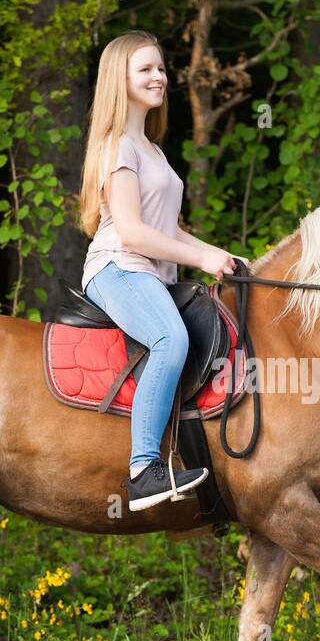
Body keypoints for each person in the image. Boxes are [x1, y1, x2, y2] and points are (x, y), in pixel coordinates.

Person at [78, 31, 237, 511]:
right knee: (171, 339)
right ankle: (143, 471)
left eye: (161, 68)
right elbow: (131, 233)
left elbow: (168, 229)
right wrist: (202, 259)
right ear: (119, 79)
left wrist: (218, 253)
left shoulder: (151, 148)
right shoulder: (116, 146)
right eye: (145, 69)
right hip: (118, 267)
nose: (159, 77)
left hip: (149, 271)